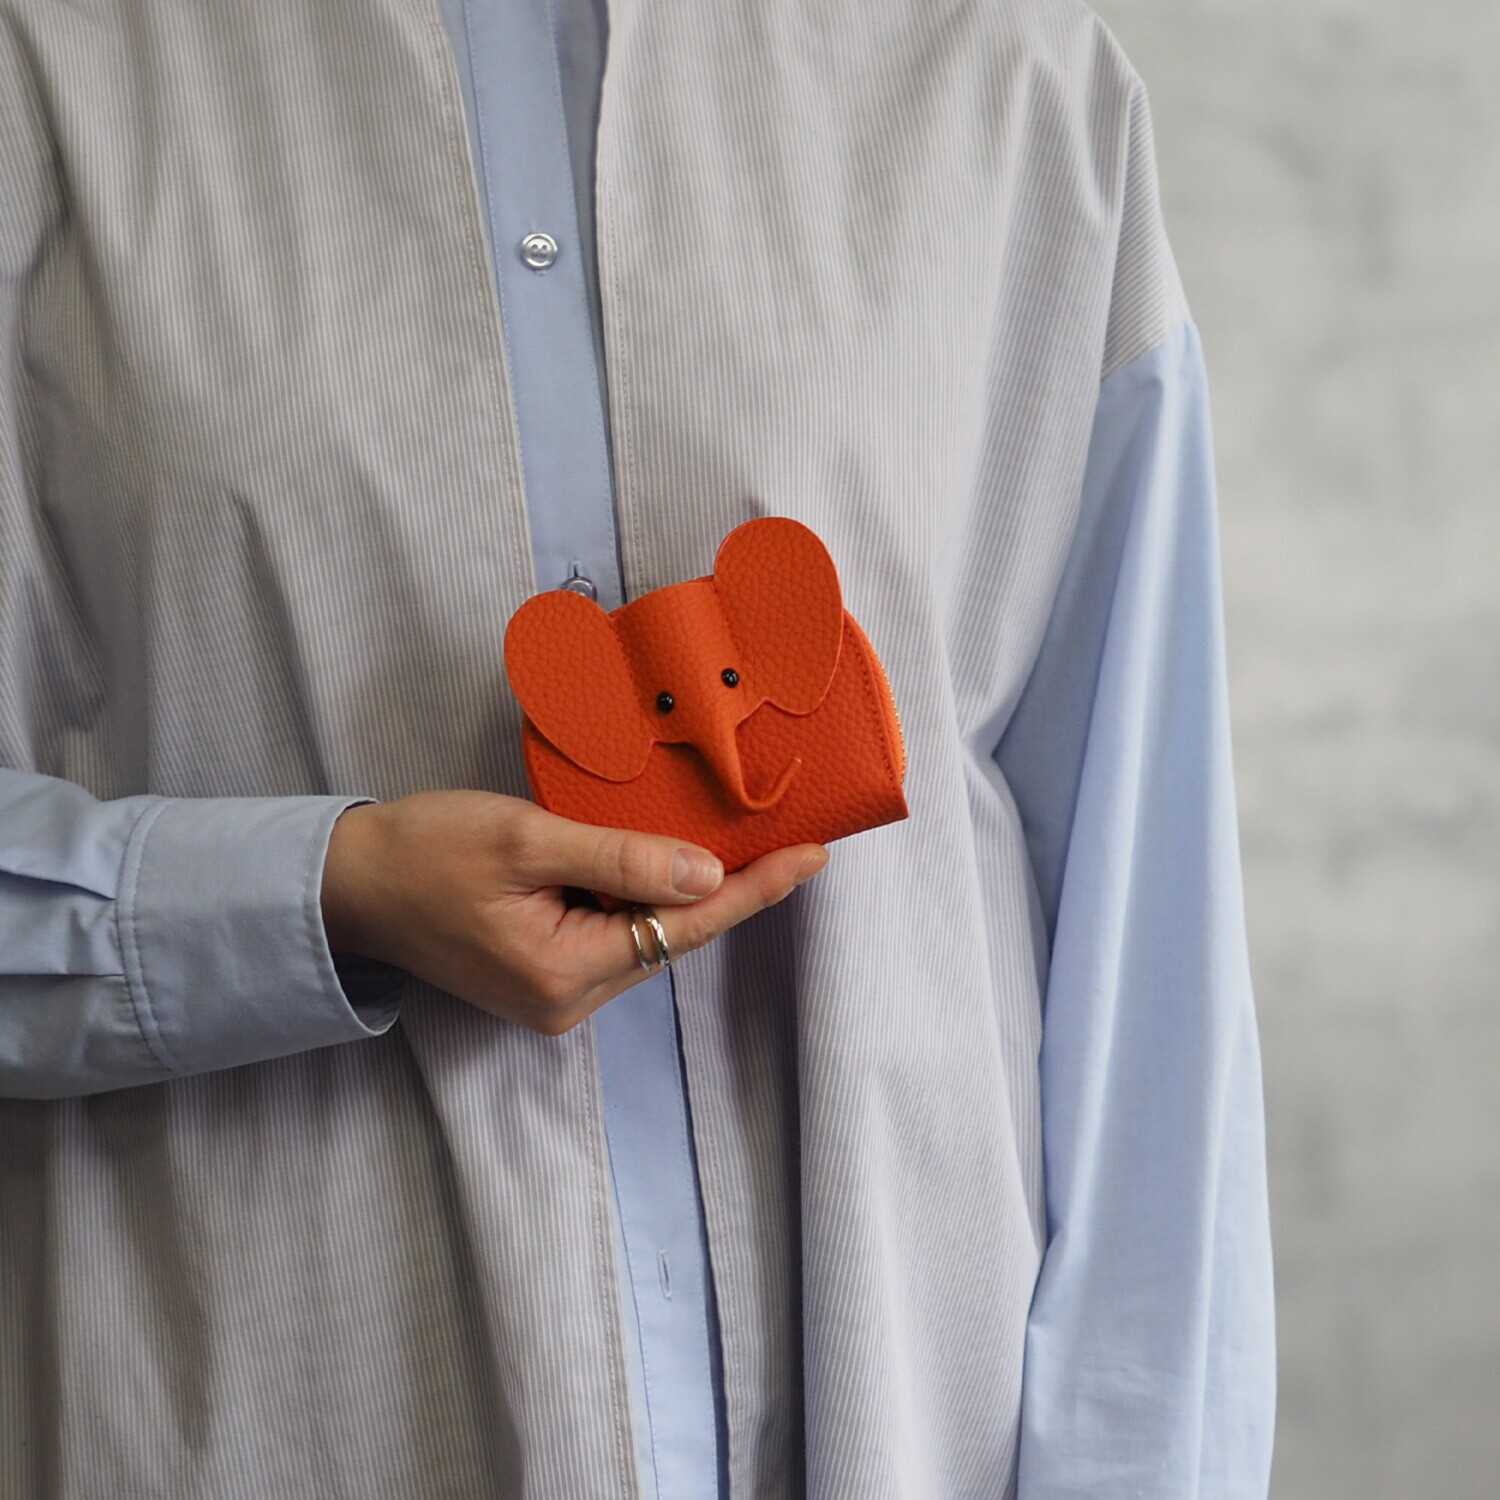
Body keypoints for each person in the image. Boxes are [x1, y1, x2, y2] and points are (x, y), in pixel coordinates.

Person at [0, 0, 1276, 1495]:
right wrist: (325, 894)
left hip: (924, 1416)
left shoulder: (1010, 73)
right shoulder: (46, 72)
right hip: (277, 1412)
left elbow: (1144, 908)